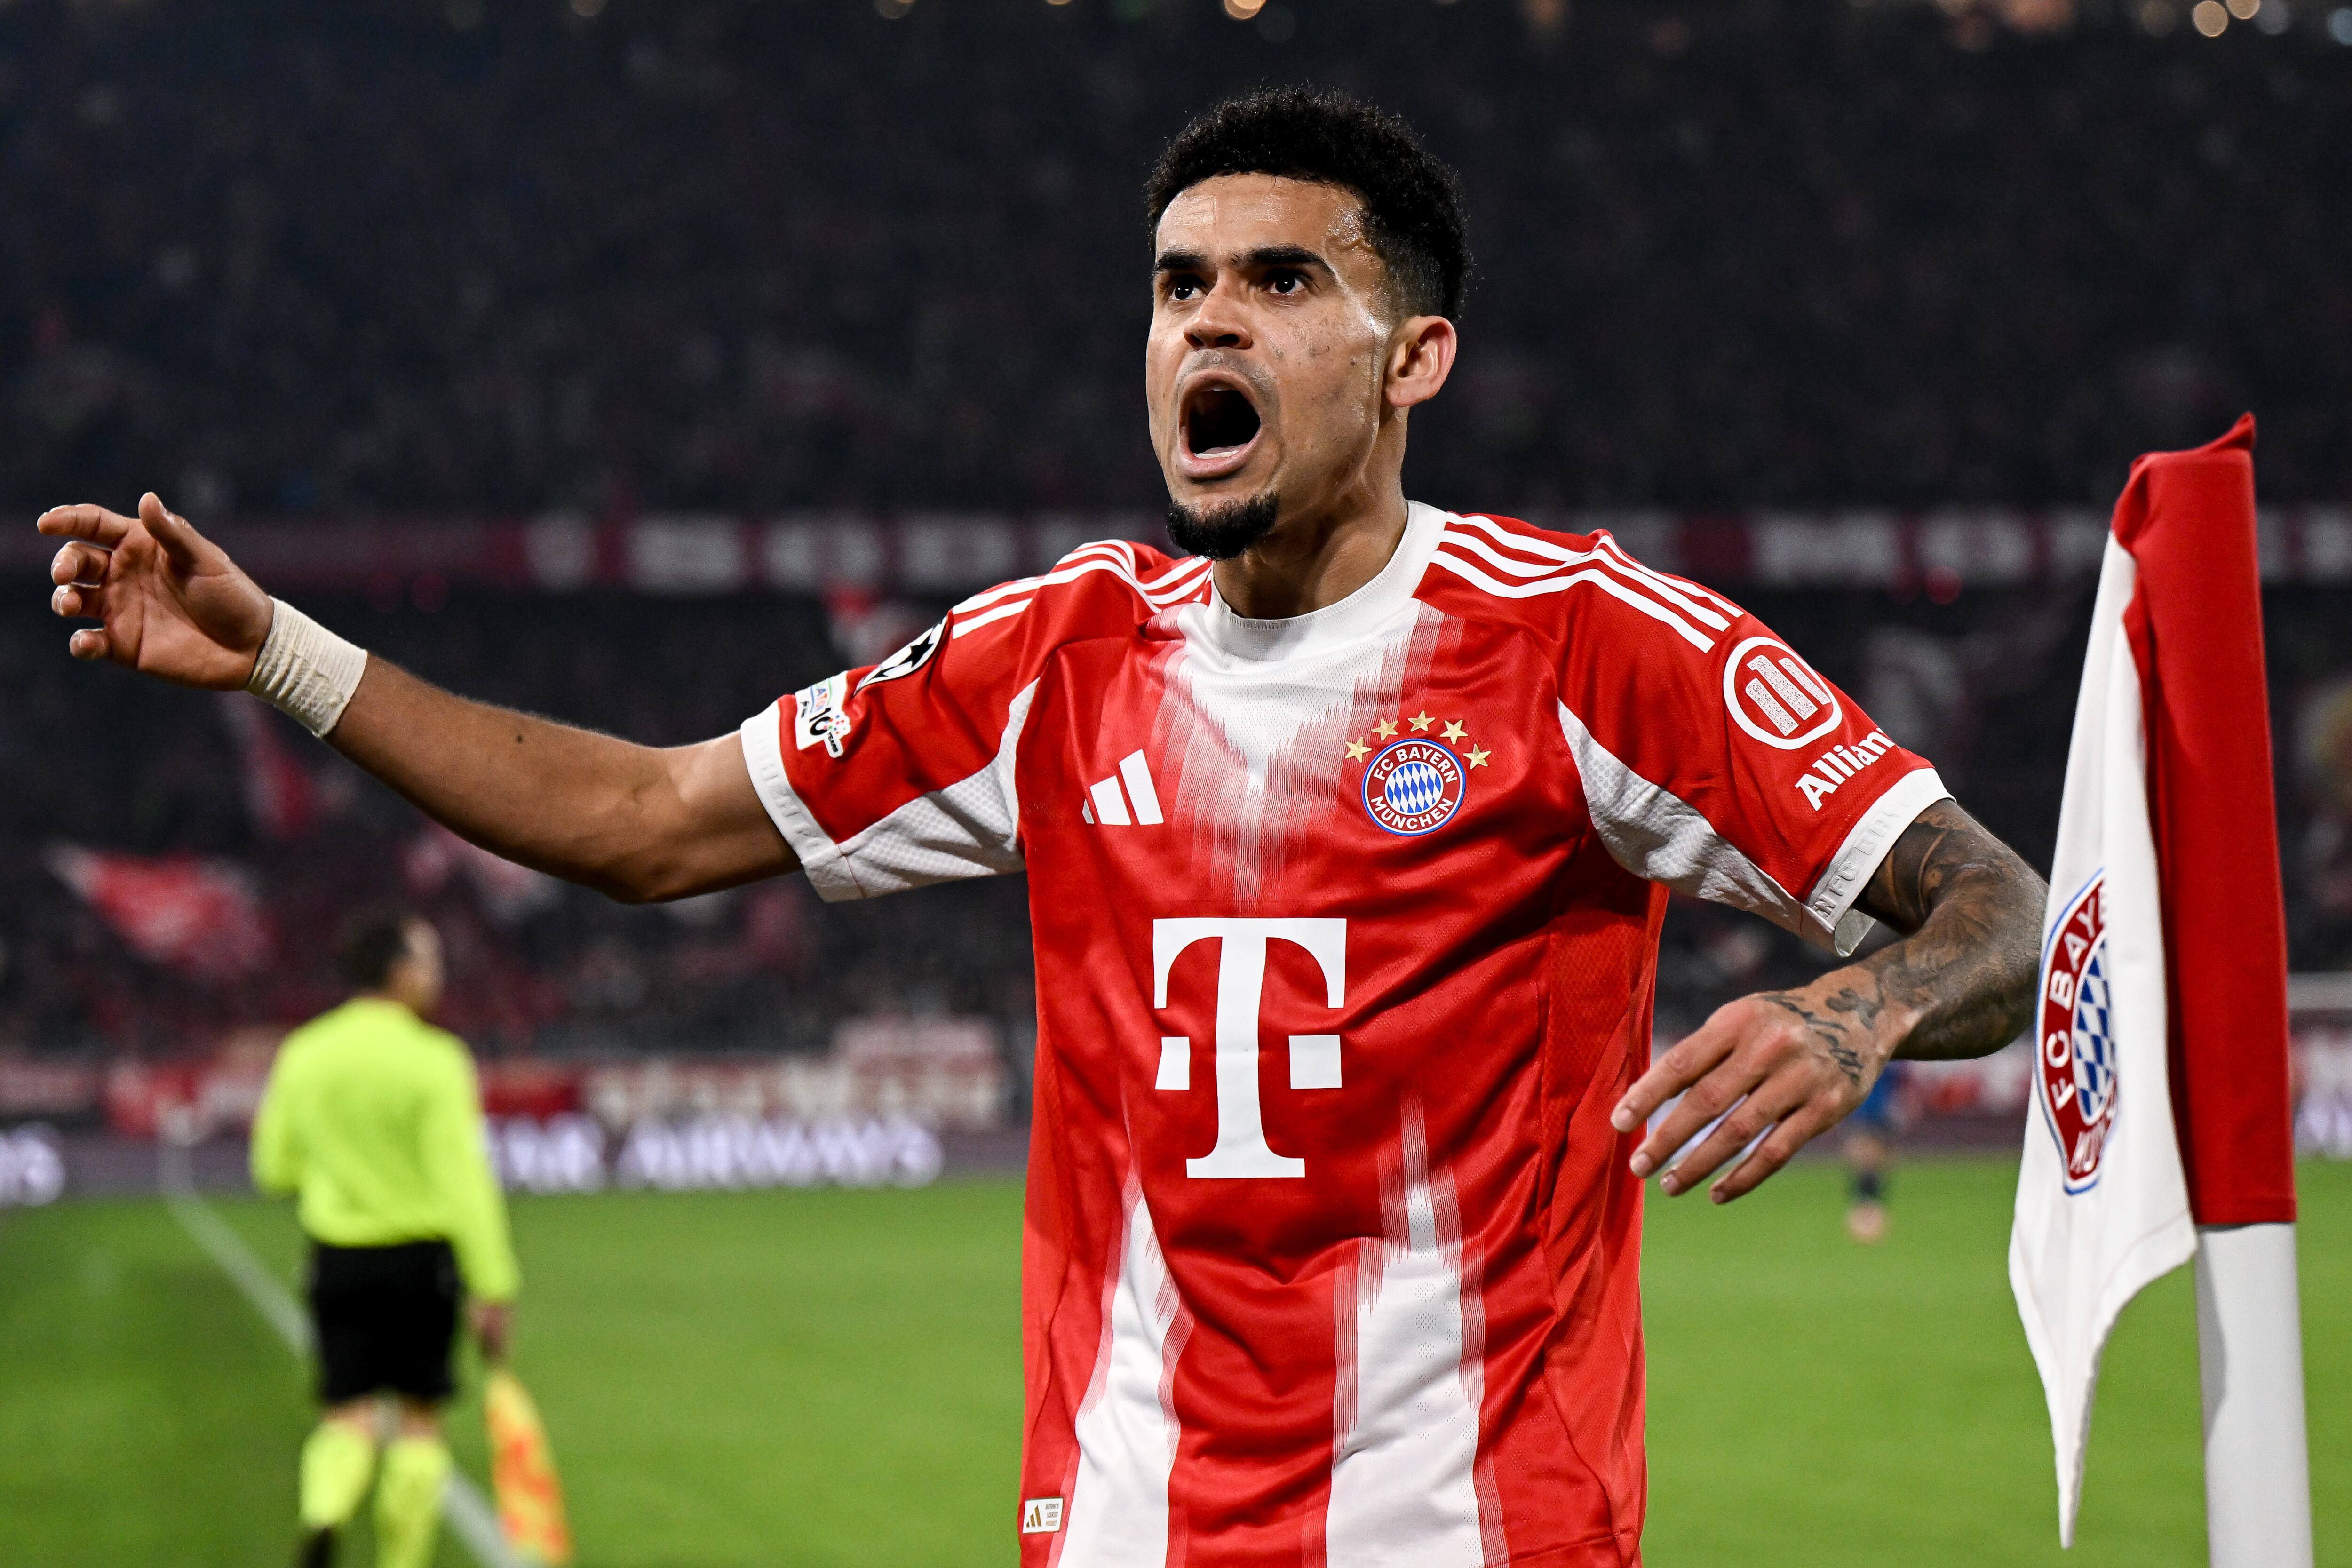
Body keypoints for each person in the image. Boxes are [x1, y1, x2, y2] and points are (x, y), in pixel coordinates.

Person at [42, 87, 2042, 1567]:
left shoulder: (1587, 645)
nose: (1208, 327)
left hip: (1477, 1534)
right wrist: (285, 654)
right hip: (1113, 1531)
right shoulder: (1052, 656)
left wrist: (1849, 1011)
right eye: (1178, 287)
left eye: (1279, 283)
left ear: (1412, 357)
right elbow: (645, 818)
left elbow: (1996, 906)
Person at [249, 912, 520, 1568]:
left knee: (346, 1413)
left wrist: (339, 1175)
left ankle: (326, 1511)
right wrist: (494, 1284)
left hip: (338, 1256)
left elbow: (273, 1168)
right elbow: (464, 1180)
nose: (437, 974)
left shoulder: (306, 1052)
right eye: (428, 961)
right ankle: (401, 1561)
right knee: (420, 1422)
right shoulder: (435, 1060)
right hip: (419, 1260)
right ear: (398, 972)